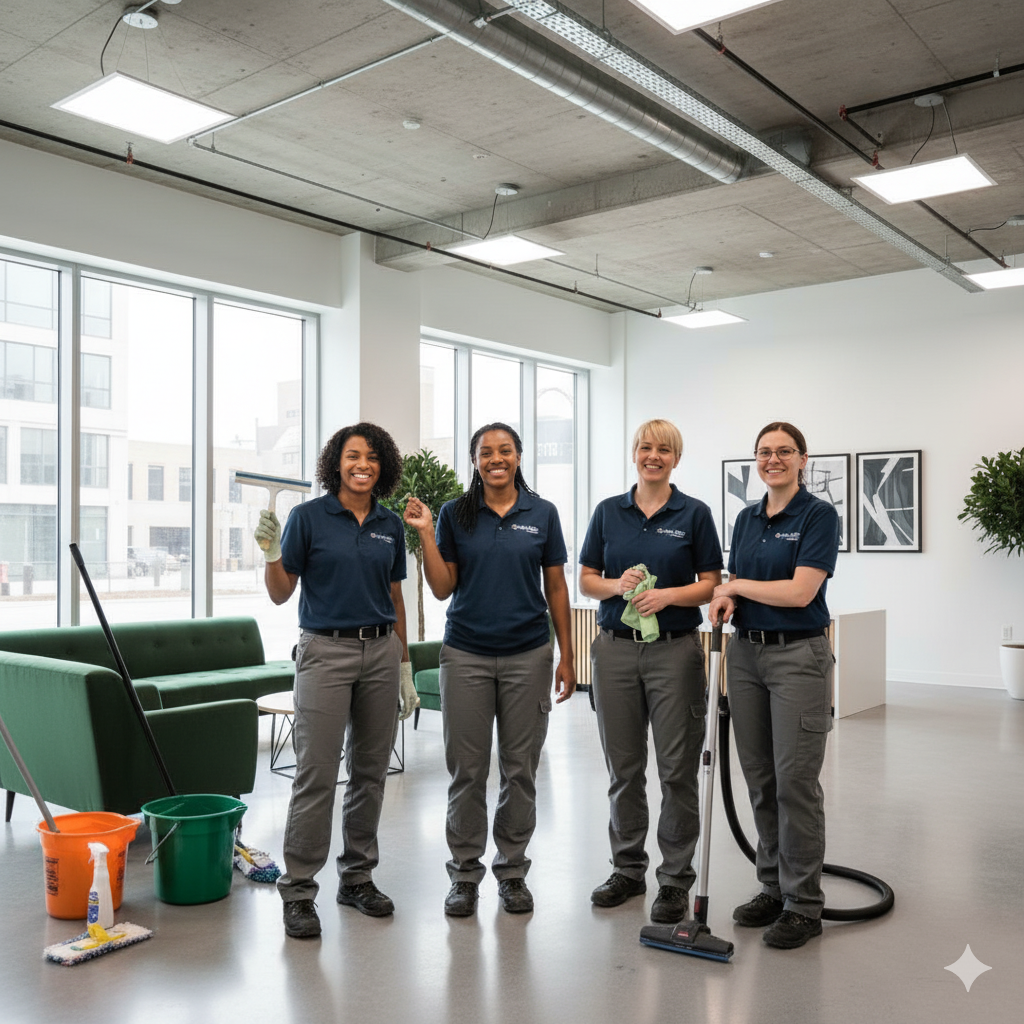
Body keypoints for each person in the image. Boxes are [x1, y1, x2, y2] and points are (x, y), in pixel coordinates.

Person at [404, 421, 575, 917]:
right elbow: (441, 587)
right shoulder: (456, 514)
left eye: (504, 450)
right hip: (466, 655)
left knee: (519, 769)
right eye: (485, 452)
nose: (495, 458)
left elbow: (557, 589)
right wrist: (424, 536)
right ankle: (463, 875)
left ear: (519, 456)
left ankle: (514, 870)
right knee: (467, 771)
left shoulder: (542, 513)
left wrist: (567, 655)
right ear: (475, 460)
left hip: (528, 655)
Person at [254, 422, 419, 939]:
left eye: (371, 456)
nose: (362, 464)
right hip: (324, 651)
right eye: (352, 456)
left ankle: (357, 878)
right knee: (317, 773)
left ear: (382, 465)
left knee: (371, 773)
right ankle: (299, 890)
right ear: (336, 463)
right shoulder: (308, 518)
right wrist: (270, 553)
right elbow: (282, 594)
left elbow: (395, 601)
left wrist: (404, 664)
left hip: (380, 652)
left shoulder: (390, 525)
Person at [579, 419, 723, 923]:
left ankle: (675, 880)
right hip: (615, 651)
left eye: (664, 449)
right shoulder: (607, 513)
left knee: (677, 770)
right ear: (634, 454)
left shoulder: (694, 514)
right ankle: (627, 869)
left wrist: (668, 595)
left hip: (674, 651)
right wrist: (618, 586)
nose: (653, 455)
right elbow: (586, 581)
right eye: (645, 447)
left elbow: (711, 584)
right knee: (624, 769)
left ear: (676, 459)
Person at [709, 421, 839, 950]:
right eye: (765, 452)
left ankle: (804, 904)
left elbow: (802, 592)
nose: (774, 459)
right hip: (745, 654)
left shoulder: (818, 515)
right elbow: (737, 582)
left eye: (785, 451)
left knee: (794, 783)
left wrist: (734, 584)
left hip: (797, 657)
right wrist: (728, 599)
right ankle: (771, 886)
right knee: (760, 778)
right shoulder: (744, 518)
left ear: (803, 459)